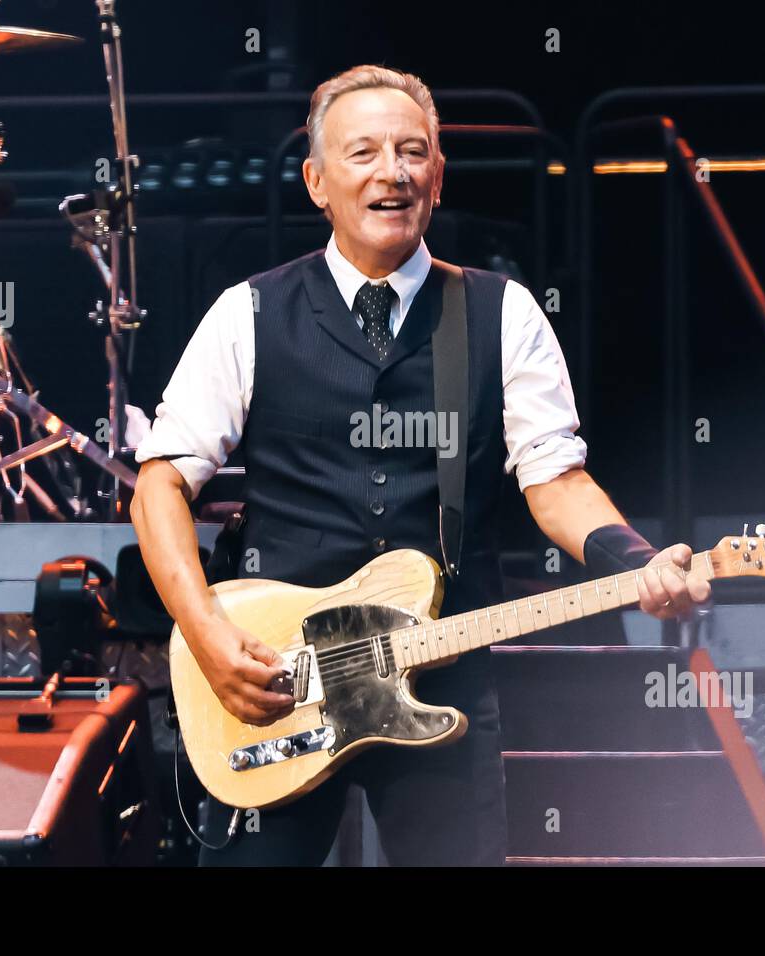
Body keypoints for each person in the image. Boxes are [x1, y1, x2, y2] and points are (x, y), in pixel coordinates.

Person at [131, 64, 711, 866]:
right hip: (276, 682)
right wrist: (205, 636)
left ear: (437, 177)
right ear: (317, 183)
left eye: (412, 152)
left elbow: (556, 479)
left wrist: (637, 562)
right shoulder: (249, 312)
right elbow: (161, 483)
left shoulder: (499, 311)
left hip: (440, 676)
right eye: (363, 153)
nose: (391, 172)